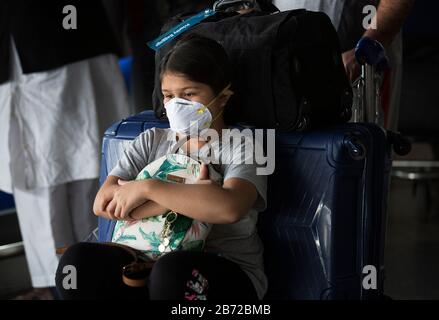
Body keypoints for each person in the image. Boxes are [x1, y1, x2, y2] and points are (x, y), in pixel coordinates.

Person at [55, 34, 268, 300]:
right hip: (142, 256)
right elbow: (104, 204)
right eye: (168, 95)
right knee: (78, 262)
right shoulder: (151, 141)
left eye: (189, 94)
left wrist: (147, 187)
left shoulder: (245, 145)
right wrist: (186, 196)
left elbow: (228, 207)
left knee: (170, 273)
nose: (176, 105)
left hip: (218, 267)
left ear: (222, 97)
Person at [0, 0, 130, 299]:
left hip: (55, 39)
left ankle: (83, 278)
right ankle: (70, 281)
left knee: (81, 170)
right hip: (37, 41)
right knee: (53, 175)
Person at [273, 0, 414, 131]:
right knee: (291, 151)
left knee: (366, 149)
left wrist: (368, 47)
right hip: (285, 64)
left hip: (360, 69)